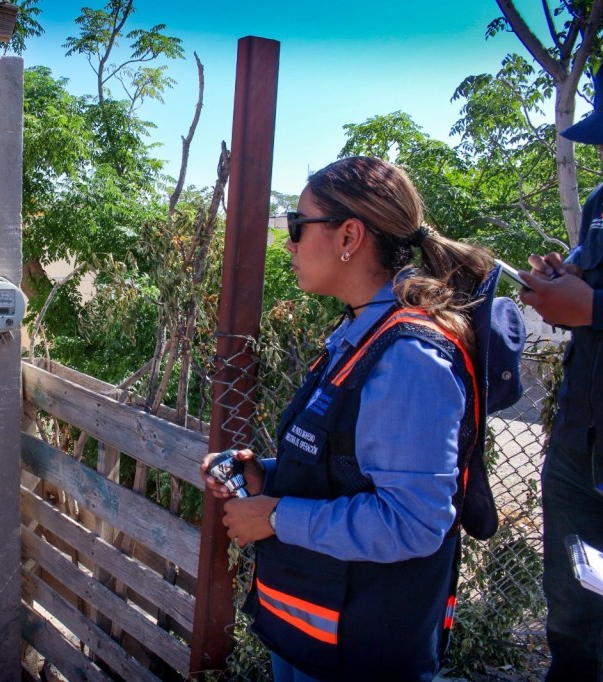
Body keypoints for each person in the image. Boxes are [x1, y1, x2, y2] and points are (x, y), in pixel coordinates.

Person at [201, 156, 519, 681]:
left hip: (362, 651)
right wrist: (266, 476)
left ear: (349, 235)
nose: (290, 244)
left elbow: (413, 521)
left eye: (298, 226)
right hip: (311, 638)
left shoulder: (410, 357)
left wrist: (275, 517)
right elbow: (348, 468)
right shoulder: (360, 333)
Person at [518, 64, 603, 681]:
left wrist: (593, 309)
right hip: (582, 443)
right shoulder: (599, 203)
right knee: (575, 613)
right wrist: (562, 281)